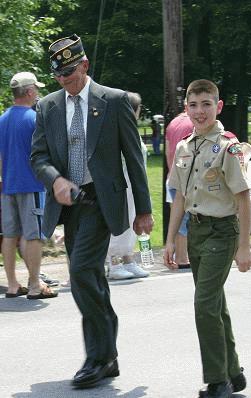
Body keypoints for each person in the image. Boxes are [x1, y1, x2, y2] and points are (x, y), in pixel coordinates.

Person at [30, 34, 153, 389]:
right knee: (93, 279)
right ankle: (108, 354)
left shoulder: (114, 102)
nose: (64, 80)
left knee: (82, 271)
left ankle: (96, 358)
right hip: (70, 205)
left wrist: (143, 210)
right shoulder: (49, 106)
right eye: (58, 75)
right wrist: (55, 181)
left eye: (69, 72)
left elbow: (134, 158)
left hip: (103, 200)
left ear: (84, 65)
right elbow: (37, 157)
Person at [164, 79, 251, 398]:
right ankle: (233, 371)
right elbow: (178, 197)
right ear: (186, 108)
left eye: (206, 104)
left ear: (218, 107)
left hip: (222, 230)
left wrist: (244, 246)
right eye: (193, 105)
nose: (199, 111)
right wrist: (171, 239)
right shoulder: (185, 147)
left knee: (204, 304)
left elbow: (243, 197)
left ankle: (218, 382)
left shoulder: (228, 147)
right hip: (197, 230)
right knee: (215, 302)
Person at [0, 72, 58, 299]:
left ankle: (13, 284)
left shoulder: (2, 120)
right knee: (33, 235)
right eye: (37, 89)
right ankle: (35, 284)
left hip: (7, 186)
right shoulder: (34, 120)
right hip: (31, 183)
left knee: (10, 235)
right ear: (30, 91)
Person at [108, 91, 149, 280]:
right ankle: (112, 262)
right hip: (122, 185)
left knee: (133, 221)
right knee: (120, 222)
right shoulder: (116, 130)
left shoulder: (131, 130)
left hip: (136, 187)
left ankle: (128, 258)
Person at [165, 108, 194, 269]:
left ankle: (176, 254)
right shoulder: (194, 125)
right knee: (184, 220)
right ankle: (182, 258)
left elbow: (169, 150)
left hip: (172, 176)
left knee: (176, 219)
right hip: (185, 178)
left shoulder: (172, 124)